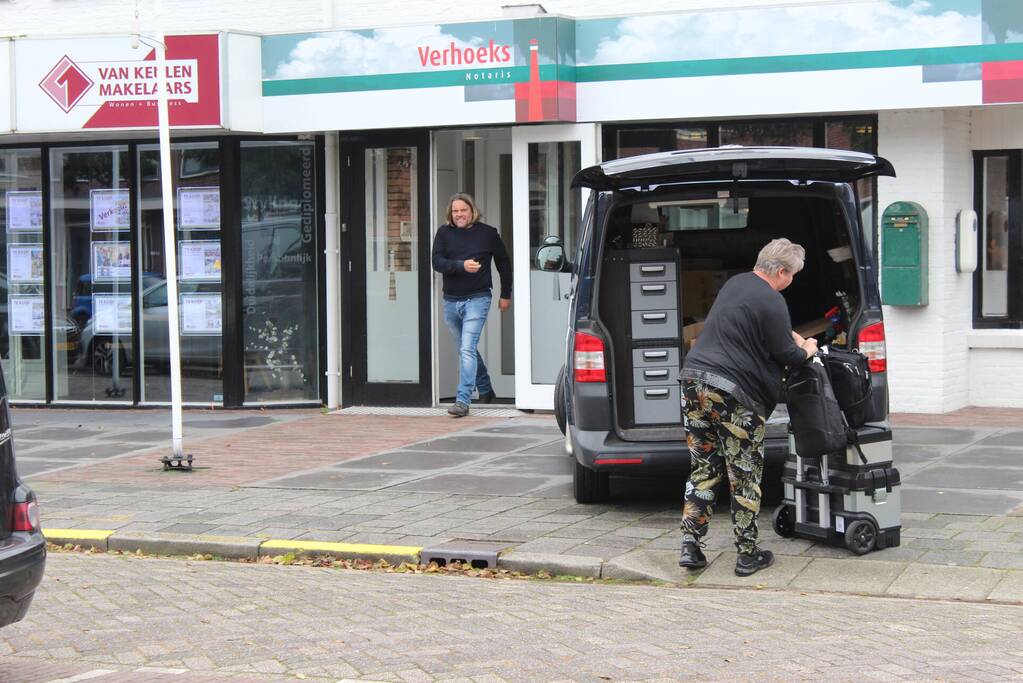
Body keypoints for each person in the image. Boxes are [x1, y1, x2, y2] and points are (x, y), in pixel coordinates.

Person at [677, 238, 817, 577]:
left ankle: (691, 548)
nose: (792, 281)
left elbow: (759, 329)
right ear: (781, 271)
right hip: (734, 395)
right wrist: (808, 347)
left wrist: (790, 336)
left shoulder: (736, 284)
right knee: (743, 474)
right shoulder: (772, 299)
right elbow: (789, 355)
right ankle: (748, 553)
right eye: (793, 275)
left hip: (694, 383)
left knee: (703, 470)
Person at [432, 193, 512, 417]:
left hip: (478, 298)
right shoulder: (444, 233)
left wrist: (506, 294)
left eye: (463, 210)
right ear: (451, 214)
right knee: (465, 349)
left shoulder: (487, 234)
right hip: (451, 301)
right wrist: (461, 266)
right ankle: (486, 389)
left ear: (472, 211)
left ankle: (463, 401)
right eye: (455, 211)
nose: (459, 215)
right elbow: (436, 261)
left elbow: (504, 263)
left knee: (466, 349)